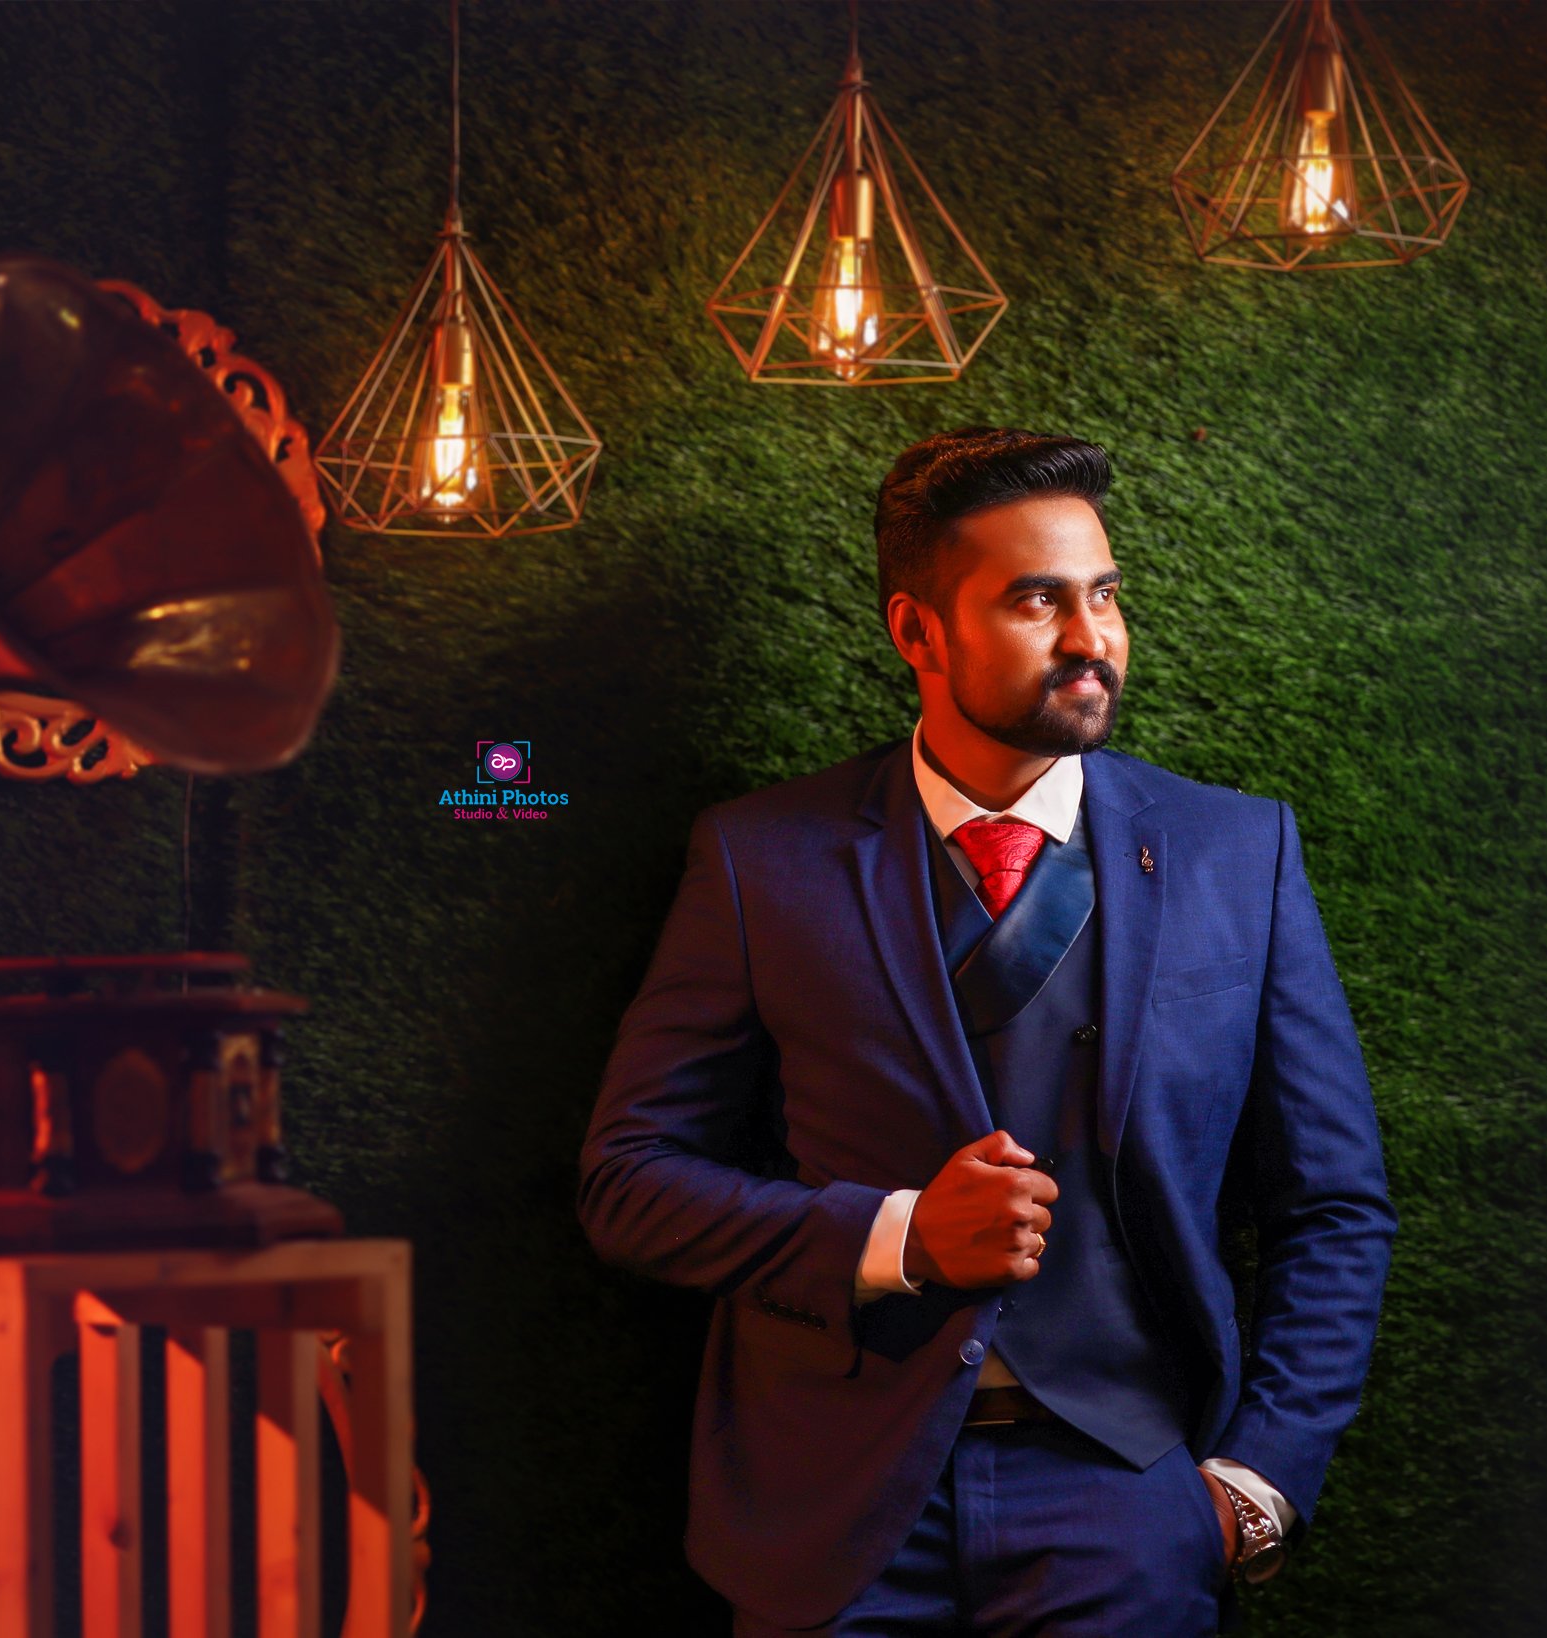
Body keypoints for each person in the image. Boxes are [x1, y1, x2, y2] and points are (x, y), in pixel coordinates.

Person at [579, 426, 1395, 1636]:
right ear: (917, 632)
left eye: (1104, 596)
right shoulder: (760, 858)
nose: (1091, 639)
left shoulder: (1241, 851)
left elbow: (1332, 1206)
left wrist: (1253, 1485)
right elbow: (627, 1183)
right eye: (1035, 601)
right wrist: (897, 1237)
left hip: (1127, 1496)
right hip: (836, 1510)